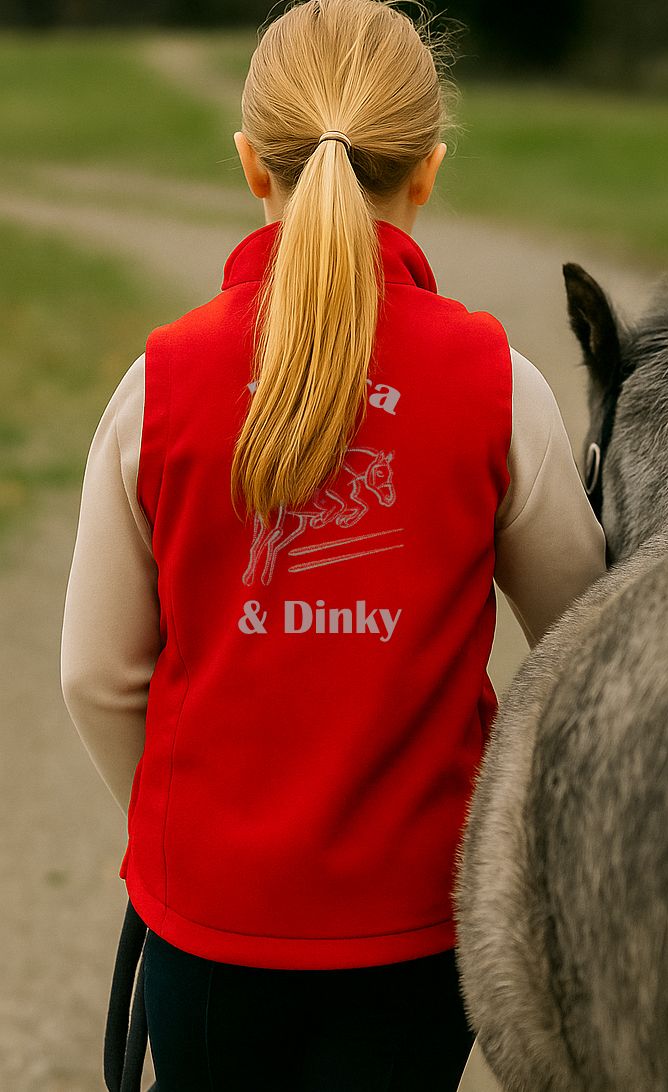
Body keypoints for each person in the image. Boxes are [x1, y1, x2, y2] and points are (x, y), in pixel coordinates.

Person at [58, 1, 606, 1088]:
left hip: (206, 932)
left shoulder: (156, 381)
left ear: (249, 165)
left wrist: (188, 842)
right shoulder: (501, 386)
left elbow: (95, 674)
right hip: (414, 936)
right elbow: (584, 650)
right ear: (429, 170)